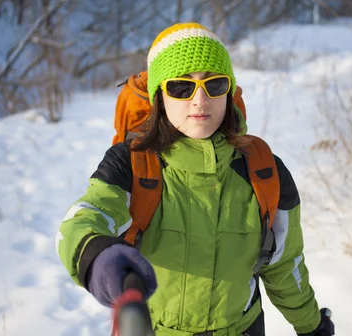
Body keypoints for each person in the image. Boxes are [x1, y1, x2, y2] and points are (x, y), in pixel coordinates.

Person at [56, 23, 334, 336]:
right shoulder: (133, 163)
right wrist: (98, 258)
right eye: (181, 87)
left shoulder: (263, 169)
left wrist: (312, 326)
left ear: (228, 92)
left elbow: (283, 264)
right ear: (160, 96)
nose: (200, 100)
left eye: (214, 85)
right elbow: (83, 220)